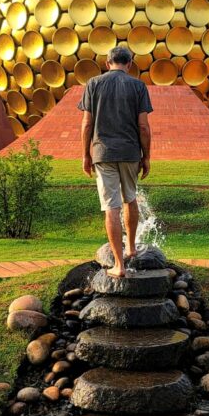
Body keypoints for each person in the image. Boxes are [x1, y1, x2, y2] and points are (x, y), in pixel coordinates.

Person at [78, 45, 153, 278]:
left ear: (107, 62)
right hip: (130, 152)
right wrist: (146, 155)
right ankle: (131, 248)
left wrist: (85, 154)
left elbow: (87, 124)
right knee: (130, 198)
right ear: (129, 64)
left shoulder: (93, 84)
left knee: (111, 207)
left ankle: (119, 265)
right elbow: (143, 126)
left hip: (103, 153)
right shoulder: (138, 86)